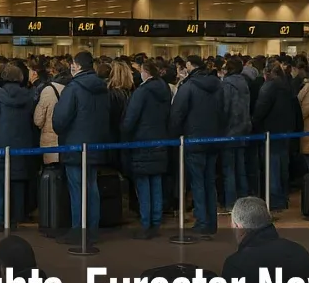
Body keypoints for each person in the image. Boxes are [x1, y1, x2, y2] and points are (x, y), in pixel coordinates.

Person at [51, 51, 111, 244]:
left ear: (76, 66)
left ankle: (79, 230)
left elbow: (59, 121)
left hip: (75, 147)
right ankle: (92, 230)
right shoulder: (103, 88)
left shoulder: (73, 88)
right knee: (92, 187)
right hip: (96, 146)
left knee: (77, 189)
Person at [170, 55, 225, 234]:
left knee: (198, 183)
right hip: (214, 140)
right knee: (210, 181)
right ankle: (211, 222)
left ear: (190, 66)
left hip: (193, 140)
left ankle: (201, 221)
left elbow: (177, 114)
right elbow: (224, 110)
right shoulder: (217, 85)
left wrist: (174, 135)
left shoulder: (188, 87)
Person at [0, 63, 36, 231]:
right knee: (17, 181)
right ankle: (14, 219)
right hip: (23, 144)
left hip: (0, 143)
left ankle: (0, 218)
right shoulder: (28, 95)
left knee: (0, 182)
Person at [121, 60, 170, 239]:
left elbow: (131, 119)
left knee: (143, 185)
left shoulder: (141, 92)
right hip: (161, 141)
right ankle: (156, 222)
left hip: (142, 142)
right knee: (156, 182)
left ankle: (145, 223)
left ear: (146, 72)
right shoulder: (164, 89)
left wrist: (124, 134)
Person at [251, 62, 297, 211]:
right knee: (283, 165)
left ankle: (275, 200)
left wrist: (254, 123)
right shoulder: (287, 86)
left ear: (266, 73)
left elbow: (261, 109)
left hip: (270, 131)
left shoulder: (268, 87)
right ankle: (283, 196)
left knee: (272, 167)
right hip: (285, 131)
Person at [220, 58, 252, 207]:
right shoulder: (244, 83)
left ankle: (231, 203)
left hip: (229, 130)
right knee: (241, 168)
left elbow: (225, 108)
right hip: (243, 129)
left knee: (229, 170)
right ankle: (244, 202)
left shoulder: (227, 85)